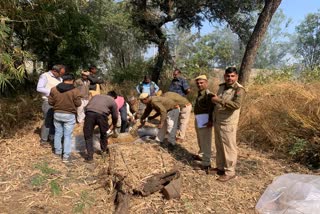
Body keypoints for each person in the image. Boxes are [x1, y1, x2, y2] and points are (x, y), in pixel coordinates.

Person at [211, 67, 245, 182]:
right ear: (224, 76)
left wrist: (219, 100)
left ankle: (230, 172)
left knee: (229, 147)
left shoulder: (239, 89)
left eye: (232, 76)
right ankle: (220, 168)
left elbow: (236, 105)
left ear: (236, 77)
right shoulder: (221, 87)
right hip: (218, 120)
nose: (229, 78)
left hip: (228, 123)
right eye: (227, 76)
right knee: (219, 145)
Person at [48, 74, 81, 163]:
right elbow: (78, 104)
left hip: (57, 113)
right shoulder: (75, 90)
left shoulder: (54, 89)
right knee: (67, 136)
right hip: (69, 115)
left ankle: (57, 152)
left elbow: (50, 102)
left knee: (58, 133)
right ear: (72, 81)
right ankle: (66, 156)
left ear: (63, 80)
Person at [83, 94, 118, 162]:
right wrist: (114, 124)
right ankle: (103, 152)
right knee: (104, 134)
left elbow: (85, 107)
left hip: (89, 113)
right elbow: (115, 116)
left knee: (88, 135)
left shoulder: (96, 96)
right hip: (102, 115)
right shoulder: (113, 101)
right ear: (114, 97)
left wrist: (88, 115)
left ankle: (90, 157)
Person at [36, 64, 65, 146]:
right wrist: (52, 93)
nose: (61, 75)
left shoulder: (60, 78)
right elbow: (39, 88)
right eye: (61, 73)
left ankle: (51, 137)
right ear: (55, 71)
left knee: (55, 120)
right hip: (48, 102)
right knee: (48, 121)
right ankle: (43, 140)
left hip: (57, 102)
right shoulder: (45, 76)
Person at [193, 75, 215, 173]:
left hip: (205, 119)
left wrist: (210, 121)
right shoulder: (200, 93)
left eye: (201, 83)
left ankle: (206, 164)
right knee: (200, 138)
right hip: (199, 117)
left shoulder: (208, 94)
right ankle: (201, 155)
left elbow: (212, 109)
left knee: (206, 141)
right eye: (198, 83)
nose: (199, 84)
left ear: (206, 83)